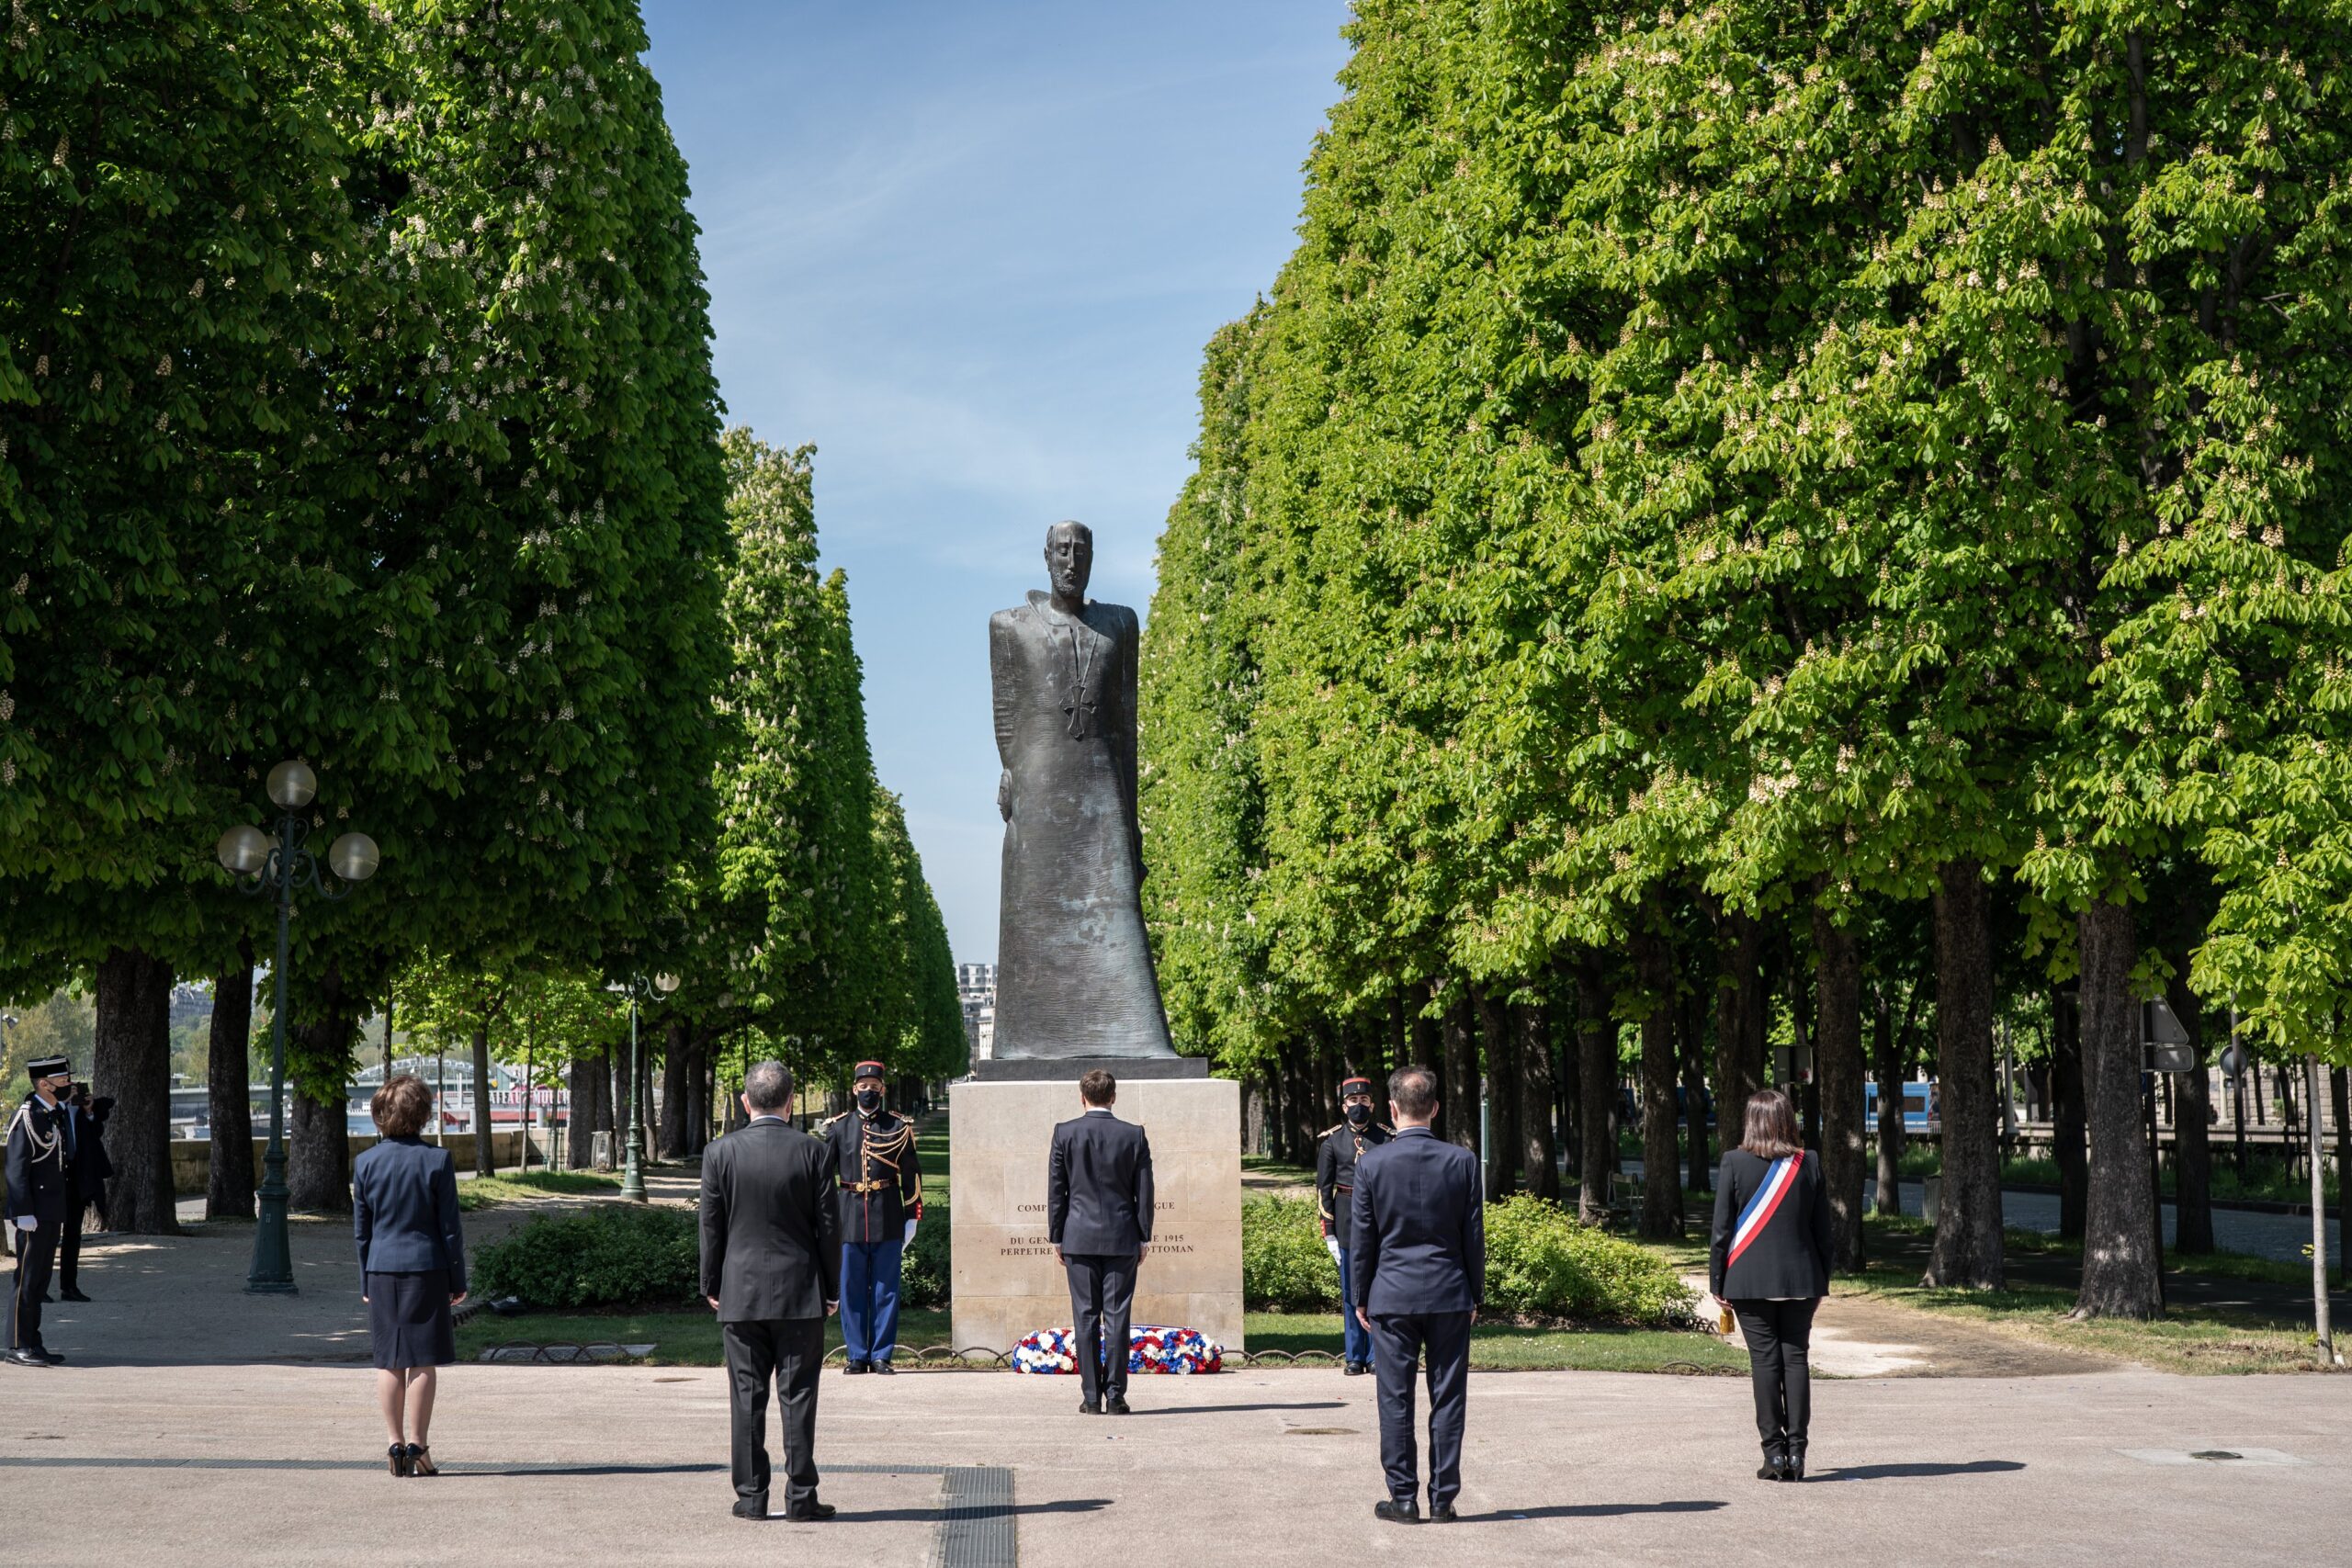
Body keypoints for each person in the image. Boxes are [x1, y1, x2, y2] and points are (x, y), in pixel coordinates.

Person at [702, 1059, 841, 1522]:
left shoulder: (719, 1153)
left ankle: (752, 1496)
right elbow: (828, 1228)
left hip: (739, 1291)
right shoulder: (814, 1151)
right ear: (791, 1101)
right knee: (798, 1396)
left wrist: (710, 1283)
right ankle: (801, 1497)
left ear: (745, 1102)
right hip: (799, 1291)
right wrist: (832, 1287)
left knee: (746, 1397)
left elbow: (711, 1227)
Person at [1351, 1065, 1483, 1525]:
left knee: (1395, 1398)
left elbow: (1362, 1238)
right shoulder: (1462, 1161)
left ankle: (1403, 1498)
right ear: (1435, 1108)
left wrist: (1359, 1295)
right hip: (1449, 1293)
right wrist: (1474, 1294)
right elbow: (1472, 1237)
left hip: (1391, 1295)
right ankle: (1443, 1499)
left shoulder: (1370, 1163)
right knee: (1448, 1399)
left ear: (1391, 1108)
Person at [1708, 1086, 1832, 1483]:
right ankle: (1798, 1455)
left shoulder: (1732, 1162)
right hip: (1801, 1278)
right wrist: (1820, 1282)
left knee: (1764, 1363)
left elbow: (1721, 1231)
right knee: (1795, 1360)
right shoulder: (1808, 1162)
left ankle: (1774, 1456)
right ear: (1787, 1120)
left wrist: (1717, 1281)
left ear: (1752, 1121)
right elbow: (1824, 1233)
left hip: (1747, 1279)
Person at [353, 1075, 468, 1477]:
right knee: (422, 1361)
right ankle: (418, 1446)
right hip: (427, 1268)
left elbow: (362, 1231)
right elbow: (449, 1228)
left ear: (381, 1115)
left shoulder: (365, 1163)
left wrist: (366, 1280)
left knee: (389, 1361)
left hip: (381, 1269)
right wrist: (458, 1280)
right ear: (422, 1114)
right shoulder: (437, 1160)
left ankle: (393, 1443)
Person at [1046, 1067, 1153, 1416]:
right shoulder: (1134, 1135)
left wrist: (1057, 1235)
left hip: (1078, 1237)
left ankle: (1092, 1397)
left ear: (1082, 1096)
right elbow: (1144, 1192)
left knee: (1086, 1318)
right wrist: (1143, 1234)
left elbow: (1057, 1191)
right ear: (1113, 1096)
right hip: (1122, 1237)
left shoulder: (1065, 1133)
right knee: (1118, 1318)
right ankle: (1117, 1396)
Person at [820, 1059, 922, 1375]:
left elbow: (912, 1176)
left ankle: (881, 1354)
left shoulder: (898, 1126)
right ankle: (856, 1354)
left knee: (886, 1289)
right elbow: (824, 1180)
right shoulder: (838, 1127)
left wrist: (912, 1218)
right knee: (850, 1289)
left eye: (874, 1087)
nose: (868, 1091)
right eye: (863, 1087)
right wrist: (825, 1221)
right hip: (849, 1217)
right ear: (854, 1090)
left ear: (883, 1090)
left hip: (888, 1216)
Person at [1316, 1075, 1391, 1376]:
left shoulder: (1387, 1138)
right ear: (1343, 1106)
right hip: (1346, 1218)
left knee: (1376, 1289)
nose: (1358, 1106)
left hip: (1379, 1221)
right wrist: (1329, 1232)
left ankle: (1375, 1355)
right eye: (1352, 1101)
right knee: (1350, 1291)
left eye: (1363, 1101)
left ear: (1372, 1104)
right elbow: (1324, 1190)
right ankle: (1354, 1355)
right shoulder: (1332, 1141)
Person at [5, 1055, 75, 1368]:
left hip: (50, 1210)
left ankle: (34, 1341)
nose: (68, 1085)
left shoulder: (52, 1115)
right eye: (62, 1081)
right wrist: (22, 1212)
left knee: (41, 1280)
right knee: (27, 1279)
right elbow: (16, 1169)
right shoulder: (28, 1117)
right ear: (44, 1084)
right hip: (34, 1212)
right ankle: (18, 1344)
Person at [53, 1085, 112, 1302]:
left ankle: (69, 1286)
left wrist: (88, 1112)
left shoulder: (76, 1108)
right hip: (54, 1178)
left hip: (76, 1178)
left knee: (72, 1235)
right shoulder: (46, 1106)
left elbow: (95, 1133)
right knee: (47, 1236)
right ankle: (37, 1287)